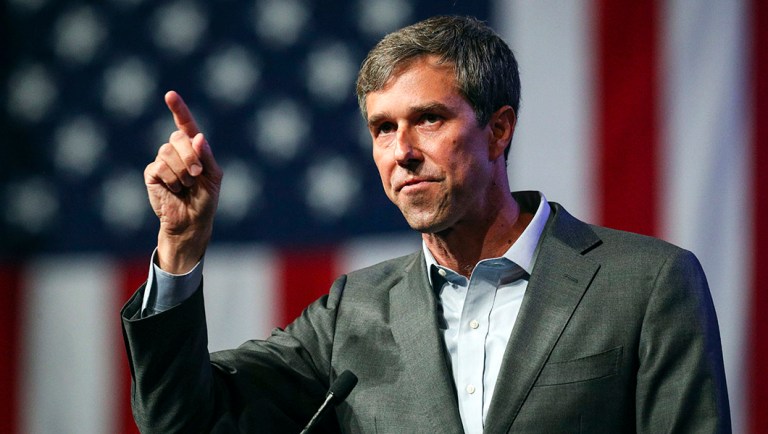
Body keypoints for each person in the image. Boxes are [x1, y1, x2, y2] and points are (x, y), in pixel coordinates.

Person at [121, 15, 731, 433]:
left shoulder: (646, 285)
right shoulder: (349, 315)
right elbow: (182, 422)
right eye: (383, 128)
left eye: (429, 119)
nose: (401, 151)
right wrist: (179, 246)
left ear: (499, 129)